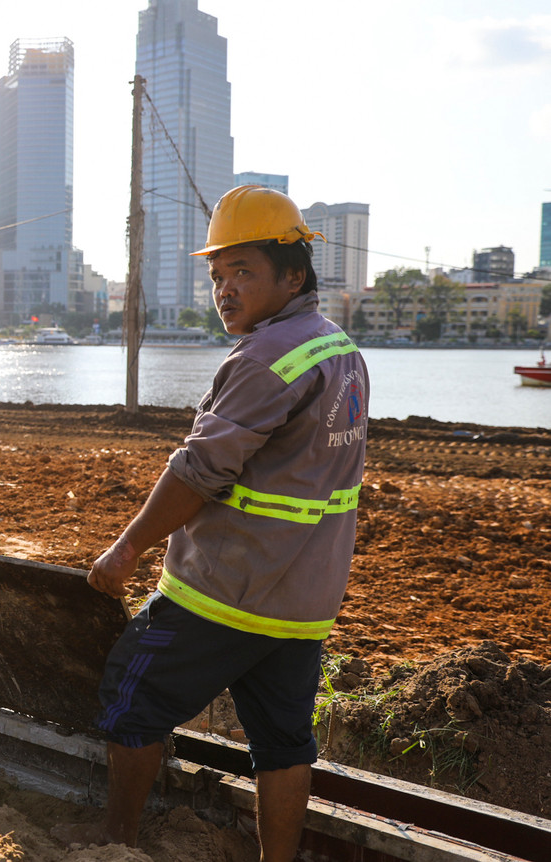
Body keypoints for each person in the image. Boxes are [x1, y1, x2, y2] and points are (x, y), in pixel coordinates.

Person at [80, 185, 370, 860]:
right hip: (303, 601)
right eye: (217, 275)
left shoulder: (266, 357)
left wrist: (126, 549)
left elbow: (199, 471)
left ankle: (116, 844)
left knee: (132, 697)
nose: (225, 289)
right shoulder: (340, 351)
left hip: (228, 589)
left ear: (292, 275)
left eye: (243, 271)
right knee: (283, 742)